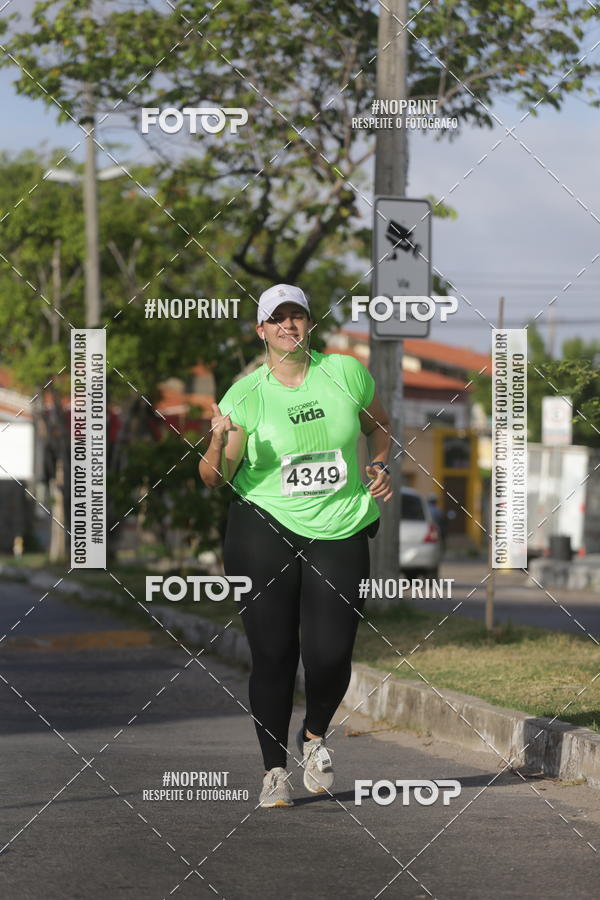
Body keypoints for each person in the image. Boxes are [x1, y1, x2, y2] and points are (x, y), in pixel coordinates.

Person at [199, 283, 393, 808]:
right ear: (261, 330)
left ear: (310, 323)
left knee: (332, 652)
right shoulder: (245, 394)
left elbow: (380, 427)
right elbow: (216, 477)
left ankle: (314, 737)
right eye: (277, 318)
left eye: (297, 316)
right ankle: (273, 771)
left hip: (340, 521)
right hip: (264, 524)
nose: (289, 325)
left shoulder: (345, 372)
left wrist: (378, 464)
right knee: (274, 652)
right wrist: (217, 440)